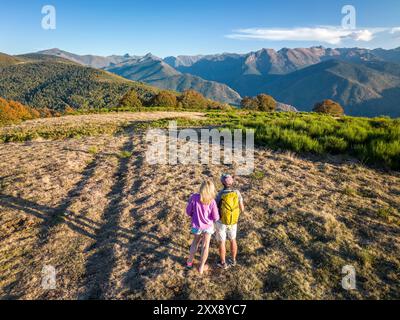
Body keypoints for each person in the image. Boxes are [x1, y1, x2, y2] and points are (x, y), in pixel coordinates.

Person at [186, 179, 220, 275]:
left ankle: (189, 262)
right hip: (208, 226)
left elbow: (188, 212)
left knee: (195, 243)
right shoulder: (212, 201)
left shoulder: (194, 197)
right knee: (205, 246)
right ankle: (201, 267)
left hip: (196, 225)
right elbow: (216, 217)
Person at [216, 174, 245, 269]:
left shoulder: (220, 194)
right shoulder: (237, 193)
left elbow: (216, 209)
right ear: (232, 182)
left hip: (221, 221)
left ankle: (223, 262)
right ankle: (233, 260)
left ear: (222, 183)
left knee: (222, 242)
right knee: (233, 240)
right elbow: (242, 208)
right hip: (233, 221)